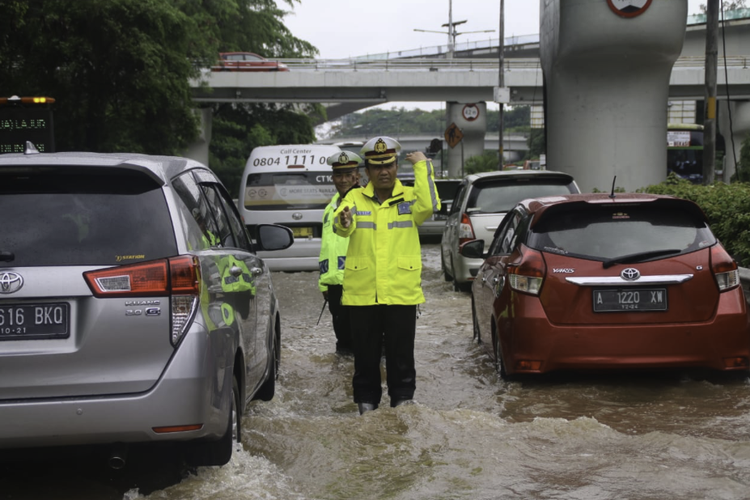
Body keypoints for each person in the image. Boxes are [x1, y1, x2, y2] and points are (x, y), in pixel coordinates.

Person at [334, 136, 440, 414]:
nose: (384, 171)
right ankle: (366, 408)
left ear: (396, 167)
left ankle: (403, 406)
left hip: (401, 291)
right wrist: (343, 221)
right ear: (367, 172)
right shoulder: (355, 196)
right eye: (377, 166)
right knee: (365, 358)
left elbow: (430, 206)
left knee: (401, 356)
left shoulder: (410, 197)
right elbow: (342, 226)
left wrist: (423, 167)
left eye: (389, 165)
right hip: (362, 293)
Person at [319, 150, 362, 355]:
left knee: (366, 341)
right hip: (335, 286)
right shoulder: (330, 208)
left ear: (358, 176)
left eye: (348, 174)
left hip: (360, 281)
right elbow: (326, 247)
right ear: (332, 178)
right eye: (338, 175)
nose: (343, 180)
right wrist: (323, 282)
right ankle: (344, 384)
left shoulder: (365, 203)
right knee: (343, 343)